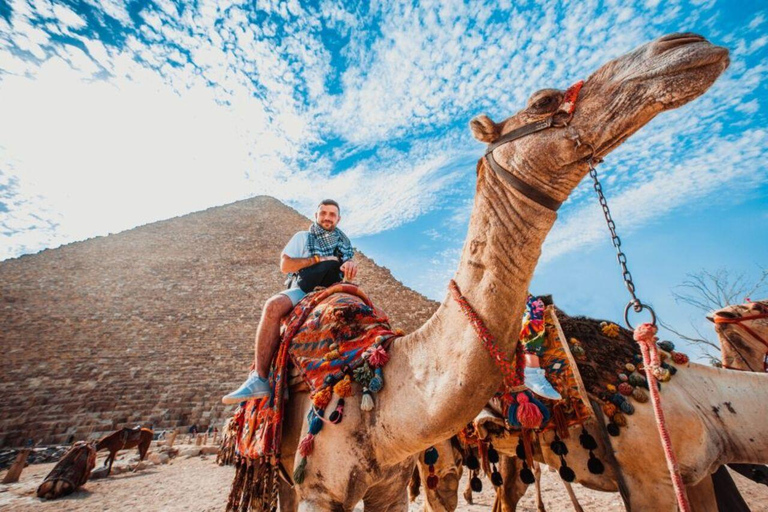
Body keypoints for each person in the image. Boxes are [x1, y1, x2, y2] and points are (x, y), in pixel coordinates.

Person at [222, 199, 358, 404]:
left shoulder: (344, 245)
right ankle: (259, 378)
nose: (327, 217)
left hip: (332, 291)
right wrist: (318, 260)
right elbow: (285, 265)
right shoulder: (303, 238)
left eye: (332, 214)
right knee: (273, 306)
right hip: (302, 290)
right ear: (316, 215)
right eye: (323, 213)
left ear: (338, 219)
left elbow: (347, 268)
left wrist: (349, 264)